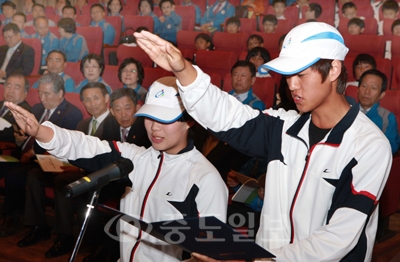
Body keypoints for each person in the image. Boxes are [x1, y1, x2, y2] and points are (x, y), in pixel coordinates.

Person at [133, 22, 391, 261]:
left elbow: (338, 239)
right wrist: (183, 70)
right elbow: (227, 115)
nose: (292, 85)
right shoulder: (284, 128)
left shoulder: (368, 145)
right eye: (288, 76)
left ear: (333, 69)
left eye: (300, 74)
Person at [6, 76, 228, 262]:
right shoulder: (137, 158)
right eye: (150, 118)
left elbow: (209, 255)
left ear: (189, 121)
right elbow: (85, 145)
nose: (155, 127)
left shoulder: (205, 179)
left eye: (166, 119)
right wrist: (40, 132)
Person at [17, 82, 111, 258]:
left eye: (96, 98)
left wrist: (72, 167)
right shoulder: (83, 124)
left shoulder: (114, 122)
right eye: (87, 99)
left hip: (95, 174)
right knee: (34, 174)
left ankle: (65, 236)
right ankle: (38, 226)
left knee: (62, 182)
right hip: (72, 168)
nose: (92, 103)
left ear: (107, 98)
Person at [1, 73, 82, 240]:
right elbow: (26, 136)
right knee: (16, 173)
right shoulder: (37, 109)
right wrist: (19, 140)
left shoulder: (72, 114)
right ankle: (29, 222)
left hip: (54, 163)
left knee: (19, 176)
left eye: (47, 94)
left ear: (60, 94)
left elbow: (63, 146)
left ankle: (21, 220)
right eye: (40, 93)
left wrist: (33, 153)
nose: (42, 98)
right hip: (31, 159)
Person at [357, 69, 400, 154]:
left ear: (381, 95)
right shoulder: (346, 111)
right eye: (364, 86)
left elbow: (392, 146)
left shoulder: (387, 118)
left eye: (373, 88)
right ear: (358, 89)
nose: (367, 92)